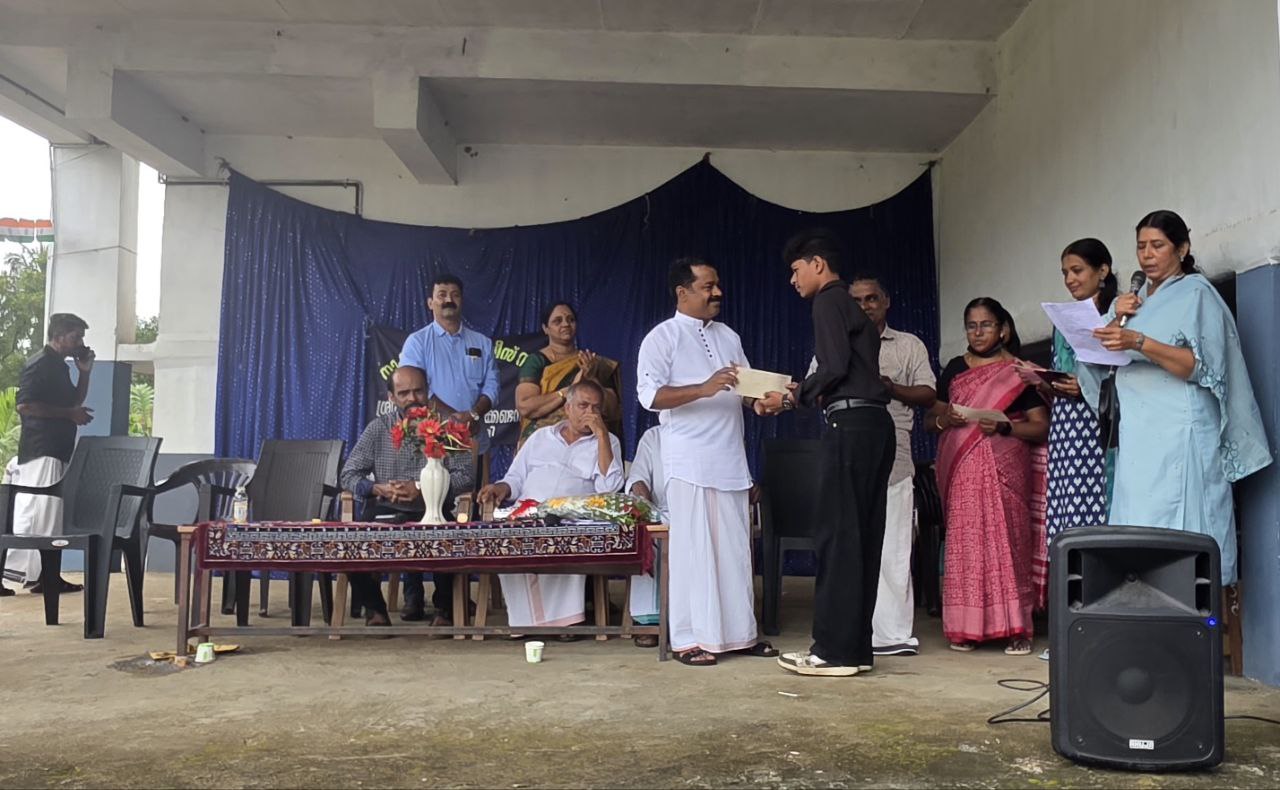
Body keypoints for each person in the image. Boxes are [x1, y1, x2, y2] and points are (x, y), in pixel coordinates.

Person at [1080, 210, 1271, 585]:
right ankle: (1143, 607)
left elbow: (1200, 366)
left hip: (1180, 430)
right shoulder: (1134, 300)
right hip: (1139, 433)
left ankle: (1191, 609)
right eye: (1140, 247)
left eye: (1157, 246)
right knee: (1138, 519)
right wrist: (1112, 319)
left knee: (1179, 521)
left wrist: (1139, 341)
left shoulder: (1197, 294)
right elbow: (1101, 364)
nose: (1147, 255)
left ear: (1182, 248)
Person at [636, 257, 777, 667]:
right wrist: (703, 387)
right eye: (707, 286)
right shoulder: (660, 338)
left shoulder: (729, 336)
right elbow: (651, 397)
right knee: (692, 552)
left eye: (717, 285)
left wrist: (761, 404)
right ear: (683, 292)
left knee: (734, 550)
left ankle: (738, 635)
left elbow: (745, 390)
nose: (717, 293)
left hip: (730, 458)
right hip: (689, 460)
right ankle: (688, 639)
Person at [771, 233, 895, 677]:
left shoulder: (827, 300)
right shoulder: (850, 306)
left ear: (817, 264)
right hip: (876, 426)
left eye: (795, 269)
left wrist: (792, 396)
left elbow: (833, 366)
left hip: (850, 426)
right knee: (862, 540)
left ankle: (832, 652)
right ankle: (856, 650)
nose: (792, 279)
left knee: (837, 539)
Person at [926, 298, 1049, 655]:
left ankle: (1017, 628)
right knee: (966, 546)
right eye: (971, 325)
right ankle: (965, 629)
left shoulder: (1021, 372)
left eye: (986, 325)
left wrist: (1006, 425)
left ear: (1004, 329)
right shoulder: (953, 369)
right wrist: (943, 421)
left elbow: (1040, 427)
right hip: (961, 469)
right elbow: (930, 420)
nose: (978, 332)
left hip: (1006, 467)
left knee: (1008, 542)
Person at [478, 380, 623, 634]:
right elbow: (515, 479)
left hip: (573, 518)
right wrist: (500, 488)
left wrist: (601, 436)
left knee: (565, 537)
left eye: (596, 408)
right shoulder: (540, 437)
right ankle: (523, 623)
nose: (590, 413)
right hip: (528, 513)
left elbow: (609, 489)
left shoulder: (608, 442)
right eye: (583, 405)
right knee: (510, 538)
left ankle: (566, 622)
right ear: (567, 408)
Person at [338, 365, 475, 627]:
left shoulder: (446, 428)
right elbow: (348, 474)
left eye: (418, 391)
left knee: (453, 540)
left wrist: (422, 488)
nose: (412, 398)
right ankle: (376, 610)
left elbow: (465, 477)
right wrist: (377, 488)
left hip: (433, 510)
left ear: (428, 391)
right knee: (348, 544)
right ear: (391, 397)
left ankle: (445, 610)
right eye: (404, 393)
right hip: (385, 508)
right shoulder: (379, 429)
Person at [397, 272, 498, 620]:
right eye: (441, 294)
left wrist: (471, 415)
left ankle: (449, 596)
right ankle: (413, 597)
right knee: (416, 510)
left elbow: (493, 387)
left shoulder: (481, 342)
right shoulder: (417, 342)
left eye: (454, 293)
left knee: (462, 513)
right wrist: (451, 417)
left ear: (462, 300)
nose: (448, 299)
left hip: (472, 442)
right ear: (430, 302)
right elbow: (413, 388)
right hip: (428, 440)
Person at [847, 275, 937, 658]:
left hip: (896, 457)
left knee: (894, 545)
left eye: (872, 299)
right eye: (858, 301)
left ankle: (892, 635)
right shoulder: (838, 343)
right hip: (849, 453)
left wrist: (890, 388)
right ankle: (852, 630)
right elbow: (818, 389)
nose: (866, 306)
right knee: (852, 546)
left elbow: (929, 394)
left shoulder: (908, 345)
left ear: (886, 302)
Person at [3, 313, 95, 596]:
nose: (80, 341)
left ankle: (48, 577)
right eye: (75, 336)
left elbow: (75, 402)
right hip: (42, 448)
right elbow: (25, 406)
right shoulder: (40, 364)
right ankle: (30, 574)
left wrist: (85, 372)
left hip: (58, 448)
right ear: (59, 336)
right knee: (37, 514)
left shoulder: (59, 366)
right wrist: (69, 414)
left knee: (51, 516)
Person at [1045, 239, 1116, 540]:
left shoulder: (1117, 313)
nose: (1070, 279)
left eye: (1077, 270)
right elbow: (1062, 366)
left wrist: (1086, 386)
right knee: (1067, 507)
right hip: (1065, 427)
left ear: (1102, 270)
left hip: (1099, 424)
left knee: (1099, 507)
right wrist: (1044, 381)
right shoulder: (1063, 320)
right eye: (1065, 273)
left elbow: (1123, 370)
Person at [515, 301, 622, 448]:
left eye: (570, 320)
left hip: (584, 443)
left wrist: (591, 378)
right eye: (557, 321)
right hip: (542, 444)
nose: (565, 324)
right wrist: (568, 391)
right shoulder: (536, 361)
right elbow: (525, 406)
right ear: (546, 328)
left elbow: (613, 409)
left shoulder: (591, 362)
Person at [624, 424, 667, 648]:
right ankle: (649, 623)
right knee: (646, 536)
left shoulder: (710, 430)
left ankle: (698, 623)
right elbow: (637, 476)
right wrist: (641, 493)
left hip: (701, 511)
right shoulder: (654, 436)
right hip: (661, 511)